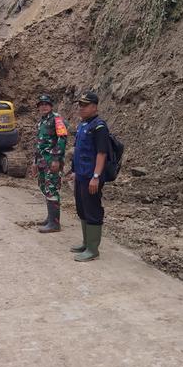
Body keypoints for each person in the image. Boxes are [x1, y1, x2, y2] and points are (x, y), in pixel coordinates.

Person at [68, 91, 110, 261]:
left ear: (94, 107)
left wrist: (96, 176)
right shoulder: (83, 125)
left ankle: (93, 250)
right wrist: (74, 171)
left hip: (91, 177)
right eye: (80, 105)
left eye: (85, 105)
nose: (81, 108)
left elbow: (101, 154)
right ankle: (86, 243)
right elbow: (78, 152)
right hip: (81, 176)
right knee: (82, 209)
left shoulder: (99, 127)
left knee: (92, 210)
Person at [30, 94, 67, 233]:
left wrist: (56, 158)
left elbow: (62, 138)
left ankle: (54, 223)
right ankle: (50, 218)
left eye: (46, 104)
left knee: (52, 189)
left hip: (52, 161)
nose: (43, 106)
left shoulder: (56, 119)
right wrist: (35, 162)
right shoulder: (42, 122)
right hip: (42, 161)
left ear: (51, 106)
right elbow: (39, 144)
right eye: (41, 104)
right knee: (44, 187)